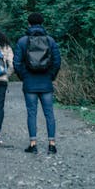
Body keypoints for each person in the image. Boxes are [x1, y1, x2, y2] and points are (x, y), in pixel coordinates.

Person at [14, 12, 61, 154]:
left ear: (28, 23)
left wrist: (24, 76)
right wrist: (50, 76)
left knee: (31, 113)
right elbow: (57, 61)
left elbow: (16, 63)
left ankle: (33, 144)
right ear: (42, 23)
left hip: (30, 83)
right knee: (49, 114)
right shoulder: (50, 40)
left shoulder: (22, 41)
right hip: (46, 82)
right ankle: (52, 144)